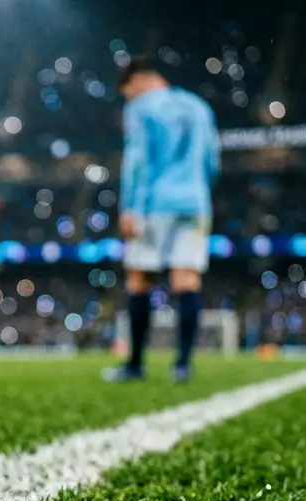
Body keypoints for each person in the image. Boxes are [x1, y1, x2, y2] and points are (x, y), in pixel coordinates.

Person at [103, 56, 220, 383]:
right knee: (187, 279)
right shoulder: (199, 107)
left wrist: (129, 207)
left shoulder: (141, 107)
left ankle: (136, 365)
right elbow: (212, 160)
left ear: (137, 82)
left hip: (155, 202)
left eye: (128, 92)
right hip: (195, 202)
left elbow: (137, 158)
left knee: (140, 278)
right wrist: (199, 190)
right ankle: (182, 365)